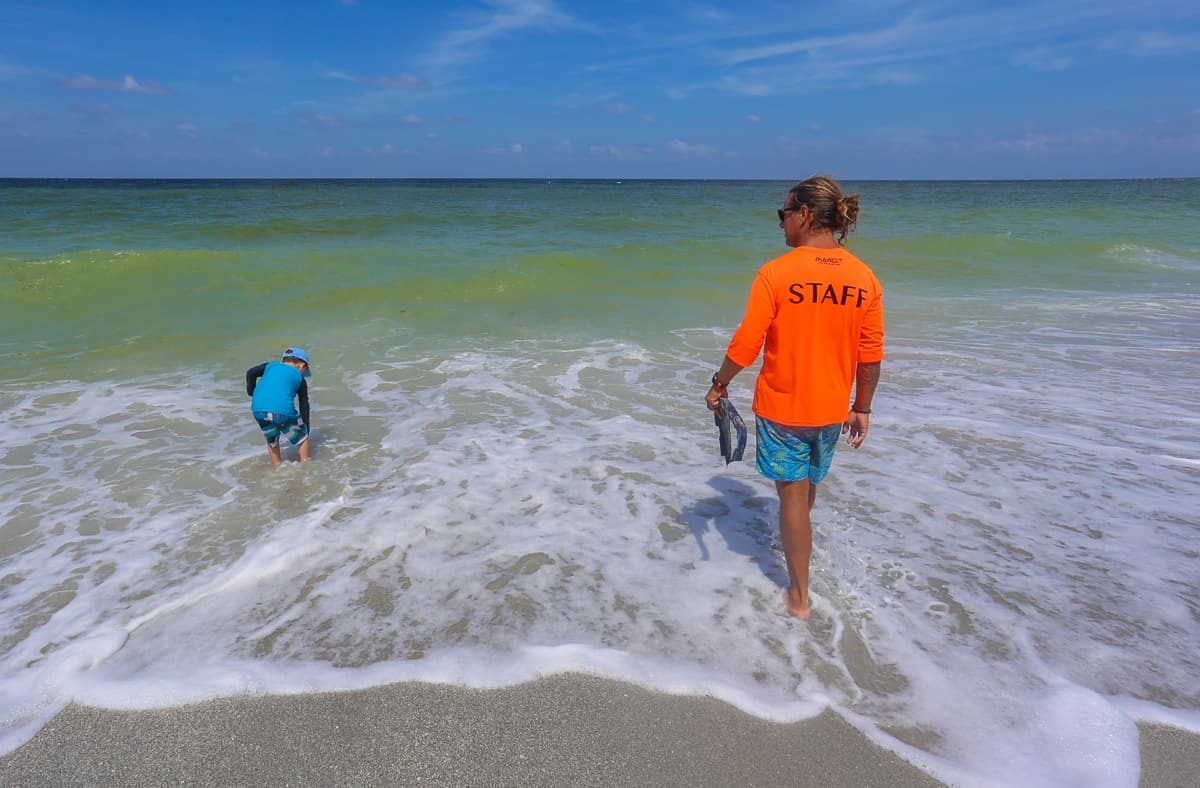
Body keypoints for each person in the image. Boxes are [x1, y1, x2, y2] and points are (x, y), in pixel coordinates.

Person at [705, 176, 883, 619]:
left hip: (785, 407)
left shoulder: (777, 273)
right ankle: (799, 542)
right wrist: (862, 407)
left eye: (783, 213)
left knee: (791, 495)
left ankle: (798, 596)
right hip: (830, 410)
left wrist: (720, 382)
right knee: (805, 490)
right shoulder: (863, 277)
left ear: (803, 214)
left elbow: (748, 343)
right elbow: (871, 354)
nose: (780, 223)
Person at [246, 347, 313, 465]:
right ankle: (305, 464)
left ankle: (276, 466)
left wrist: (251, 392)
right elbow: (304, 405)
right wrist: (306, 428)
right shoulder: (300, 378)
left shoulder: (270, 366)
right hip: (282, 411)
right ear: (301, 366)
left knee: (272, 440)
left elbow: (250, 372)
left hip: (258, 410)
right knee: (302, 438)